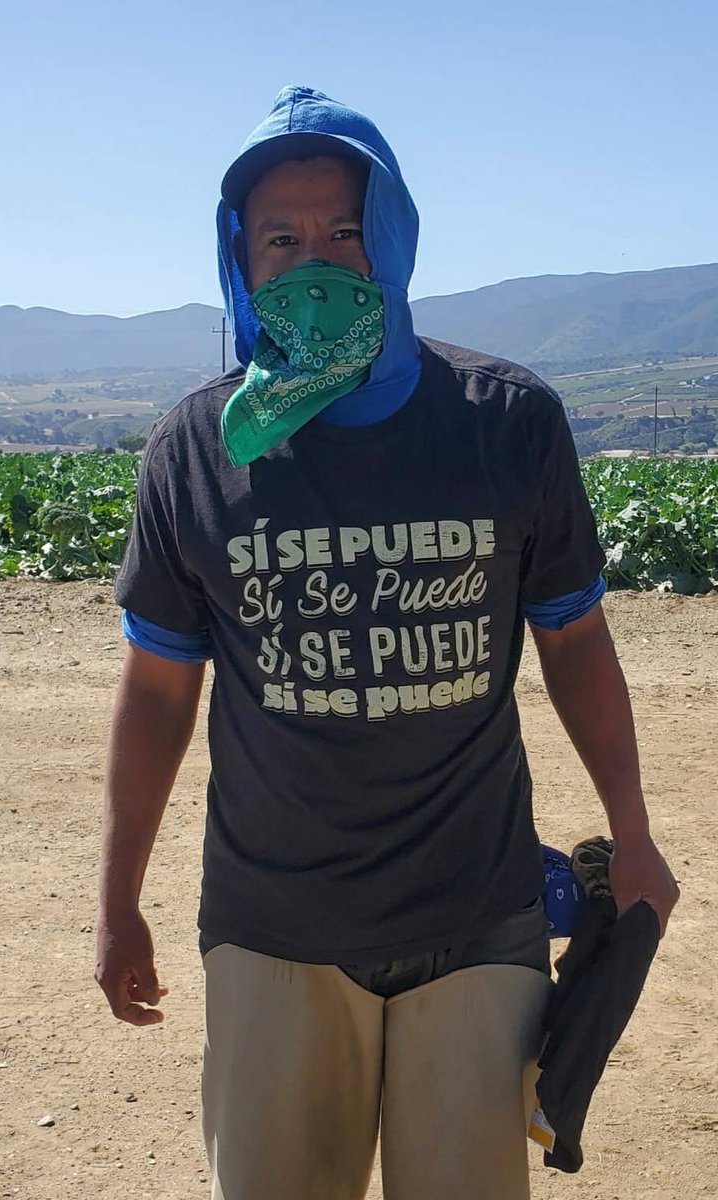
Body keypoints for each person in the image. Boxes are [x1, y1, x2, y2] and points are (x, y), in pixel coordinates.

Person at [94, 86, 679, 1200]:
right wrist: (117, 898)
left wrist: (634, 832)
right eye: (283, 238)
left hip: (479, 914)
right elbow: (159, 693)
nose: (316, 258)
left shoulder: (504, 421)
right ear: (241, 262)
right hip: (276, 925)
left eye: (346, 230)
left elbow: (578, 645)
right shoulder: (197, 453)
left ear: (393, 241)